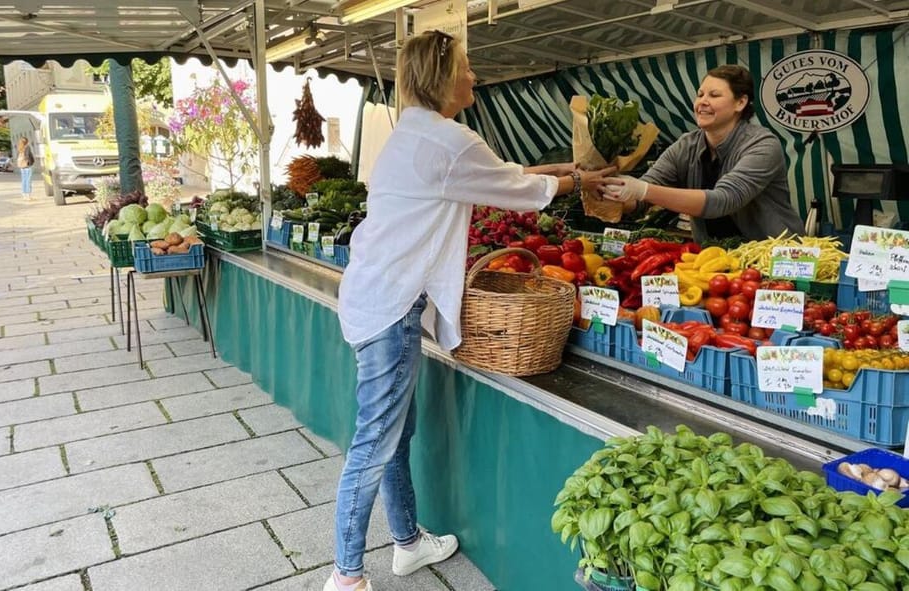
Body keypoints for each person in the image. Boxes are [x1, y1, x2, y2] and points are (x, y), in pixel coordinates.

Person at [329, 30, 614, 591]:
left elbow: (504, 172)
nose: (474, 76)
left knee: (394, 433)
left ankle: (407, 542)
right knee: (374, 442)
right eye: (466, 67)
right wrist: (579, 177)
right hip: (391, 307)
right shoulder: (449, 140)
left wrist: (568, 170)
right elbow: (520, 189)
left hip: (373, 294)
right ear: (443, 78)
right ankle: (346, 575)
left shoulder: (414, 135)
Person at [601, 65, 804, 244]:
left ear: (740, 103)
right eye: (700, 94)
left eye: (714, 95)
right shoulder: (685, 145)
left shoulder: (763, 144)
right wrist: (610, 192)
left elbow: (723, 200)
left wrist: (642, 190)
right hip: (713, 258)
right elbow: (638, 203)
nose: (702, 102)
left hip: (775, 259)